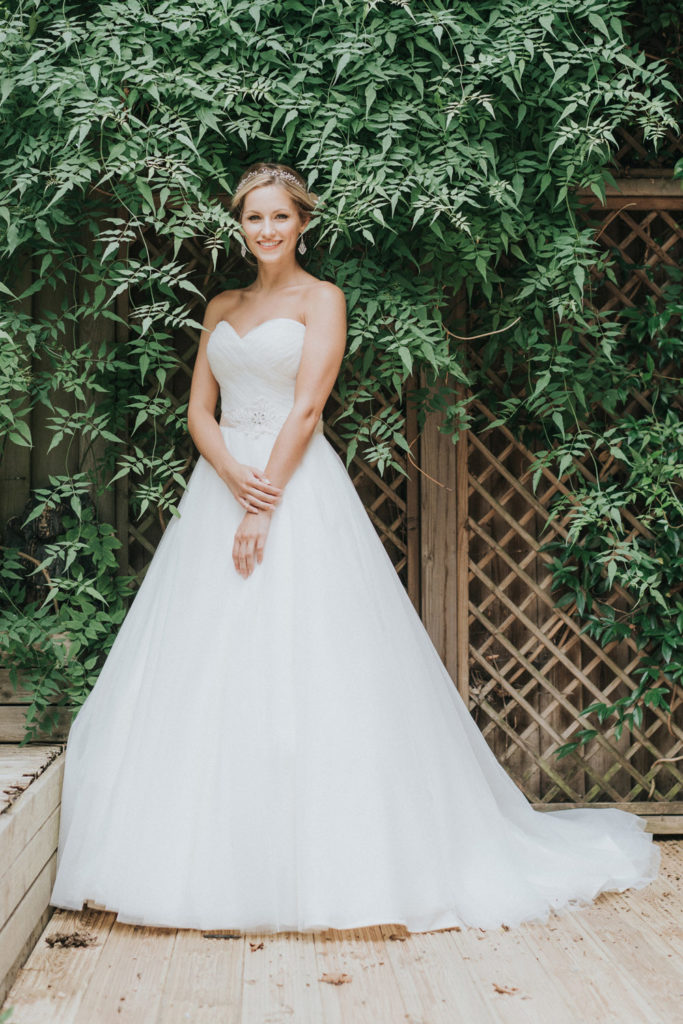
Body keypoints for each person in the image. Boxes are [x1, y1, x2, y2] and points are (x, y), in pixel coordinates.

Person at [49, 162, 660, 934]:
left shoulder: (322, 300)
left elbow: (305, 408)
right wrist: (233, 478)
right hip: (223, 485)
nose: (264, 230)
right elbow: (199, 411)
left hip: (293, 490)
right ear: (239, 227)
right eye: (252, 219)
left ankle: (337, 866)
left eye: (277, 217)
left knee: (313, 664)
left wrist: (262, 506)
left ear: (302, 223)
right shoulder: (223, 305)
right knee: (202, 663)